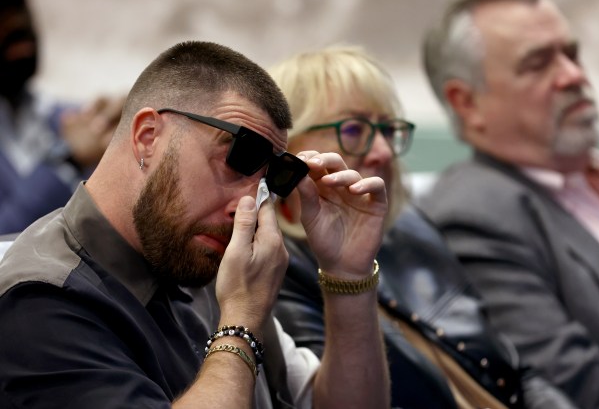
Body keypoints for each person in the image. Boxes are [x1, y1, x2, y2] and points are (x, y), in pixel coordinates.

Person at [0, 40, 390, 409]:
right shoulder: (41, 299)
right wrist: (239, 323)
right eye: (238, 158)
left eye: (271, 177)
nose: (247, 205)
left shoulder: (201, 260)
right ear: (148, 137)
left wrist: (348, 276)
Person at [268, 45, 576, 409]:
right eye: (354, 129)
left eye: (386, 129)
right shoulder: (276, 269)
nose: (382, 150)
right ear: (289, 147)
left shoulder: (410, 228)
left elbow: (516, 371)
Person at [419, 0, 599, 408]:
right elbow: (577, 383)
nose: (573, 75)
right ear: (467, 103)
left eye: (571, 54)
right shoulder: (475, 215)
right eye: (538, 63)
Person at [0, 0, 123, 233]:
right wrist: (66, 161)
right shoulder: (70, 141)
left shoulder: (63, 117)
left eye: (20, 8)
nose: (17, 22)